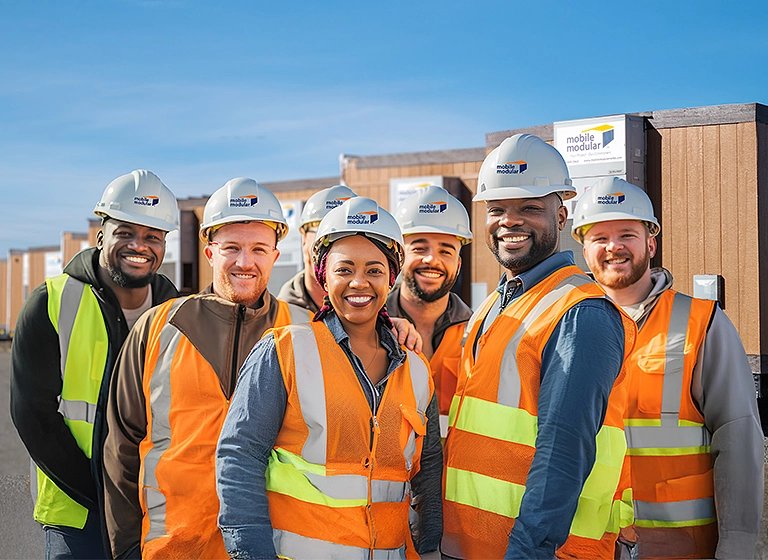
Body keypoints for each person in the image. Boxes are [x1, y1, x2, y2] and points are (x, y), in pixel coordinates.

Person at [442, 134, 638, 559]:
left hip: (540, 551)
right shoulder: (495, 304)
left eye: (529, 208)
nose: (510, 222)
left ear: (561, 215)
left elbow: (563, 452)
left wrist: (528, 552)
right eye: (497, 210)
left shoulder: (581, 312)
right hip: (474, 544)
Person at [216, 197, 443, 559]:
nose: (359, 282)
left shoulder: (416, 370)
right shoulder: (284, 351)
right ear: (324, 276)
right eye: (344, 269)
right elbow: (240, 457)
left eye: (374, 270)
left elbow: (427, 473)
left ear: (391, 279)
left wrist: (430, 549)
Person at [102, 177, 308, 559]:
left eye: (258, 249)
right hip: (171, 550)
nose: (245, 262)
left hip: (270, 549)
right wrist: (127, 549)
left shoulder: (305, 332)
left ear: (275, 255)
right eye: (232, 248)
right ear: (210, 252)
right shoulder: (159, 327)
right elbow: (121, 448)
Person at [572, 176, 764, 559]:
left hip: (677, 546)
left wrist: (737, 545)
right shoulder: (564, 324)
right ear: (584, 249)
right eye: (599, 237)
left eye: (627, 234)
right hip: (583, 545)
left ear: (651, 243)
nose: (613, 247)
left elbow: (738, 436)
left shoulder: (701, 323)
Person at [10, 169, 180, 559]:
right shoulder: (51, 302)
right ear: (102, 235)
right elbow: (33, 416)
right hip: (77, 515)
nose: (139, 245)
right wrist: (103, 495)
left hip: (154, 512)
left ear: (164, 244)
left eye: (152, 236)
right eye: (126, 232)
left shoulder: (177, 313)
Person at [390, 185, 473, 434]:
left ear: (458, 265)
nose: (431, 260)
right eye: (419, 248)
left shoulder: (477, 334)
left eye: (445, 251)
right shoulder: (367, 327)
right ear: (399, 256)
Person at [278, 184, 358, 312]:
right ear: (304, 240)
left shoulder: (382, 307)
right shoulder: (282, 316)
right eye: (324, 235)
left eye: (349, 237)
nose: (336, 248)